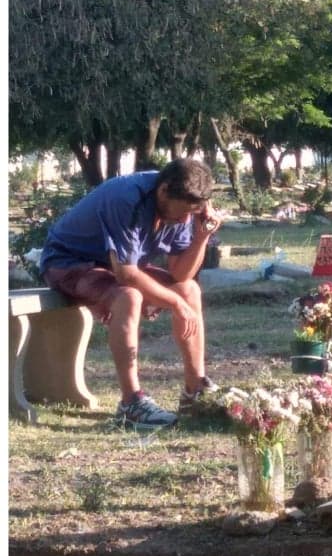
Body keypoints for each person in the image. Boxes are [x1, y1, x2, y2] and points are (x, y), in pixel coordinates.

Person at [39, 158, 222, 429]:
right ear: (163, 191)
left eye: (191, 214)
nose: (185, 220)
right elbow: (126, 275)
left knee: (189, 290)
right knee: (129, 296)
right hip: (69, 263)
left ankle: (195, 391)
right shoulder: (127, 198)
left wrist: (201, 237)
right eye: (182, 213)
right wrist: (175, 304)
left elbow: (181, 275)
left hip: (114, 267)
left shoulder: (185, 204)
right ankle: (130, 403)